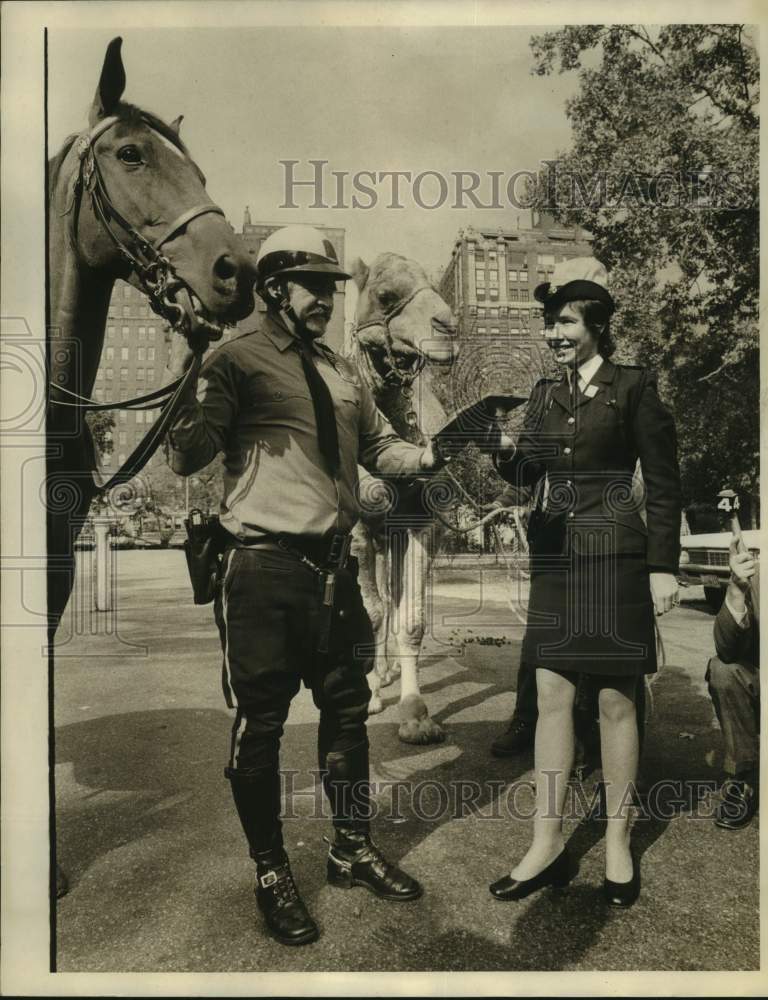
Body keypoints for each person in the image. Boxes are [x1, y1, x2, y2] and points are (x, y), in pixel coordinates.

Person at [163, 225, 444, 947]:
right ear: (275, 288)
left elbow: (379, 447)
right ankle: (270, 871)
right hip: (262, 570)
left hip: (334, 570)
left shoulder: (340, 369)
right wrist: (192, 367)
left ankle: (350, 848)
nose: (326, 299)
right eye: (313, 286)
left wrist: (440, 451)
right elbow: (190, 454)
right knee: (261, 725)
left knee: (348, 714)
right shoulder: (235, 357)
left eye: (331, 287)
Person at [489, 257, 681, 907]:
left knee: (614, 702)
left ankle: (620, 844)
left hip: (616, 556)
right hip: (557, 561)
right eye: (550, 324)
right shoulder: (545, 394)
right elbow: (524, 477)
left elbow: (663, 484)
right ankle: (545, 844)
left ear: (596, 324)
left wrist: (661, 567)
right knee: (550, 697)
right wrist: (503, 450)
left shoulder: (634, 388)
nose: (554, 334)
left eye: (565, 322)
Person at [706, 535, 759, 829]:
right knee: (723, 670)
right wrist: (737, 589)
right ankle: (744, 777)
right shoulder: (759, 569)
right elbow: (726, 650)